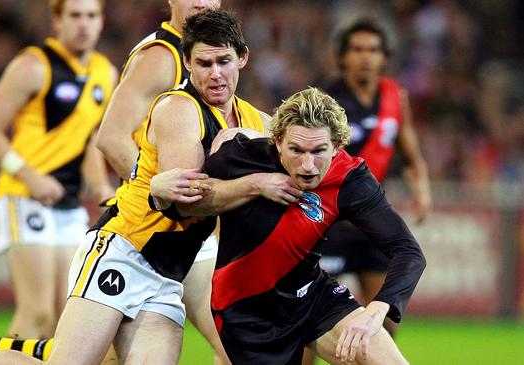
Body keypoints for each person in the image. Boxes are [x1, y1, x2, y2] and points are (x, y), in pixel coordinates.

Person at [0, 9, 298, 365]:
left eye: (223, 62)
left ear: (242, 59)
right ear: (188, 64)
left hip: (168, 273)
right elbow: (184, 198)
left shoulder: (255, 121)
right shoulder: (178, 105)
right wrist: (154, 188)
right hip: (127, 249)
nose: (215, 74)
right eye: (204, 63)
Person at [150, 87, 426, 364]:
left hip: (313, 297)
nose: (307, 166)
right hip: (248, 314)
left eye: (319, 151)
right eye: (296, 150)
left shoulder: (351, 180)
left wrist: (375, 311)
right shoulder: (240, 157)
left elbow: (408, 251)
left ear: (338, 146)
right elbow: (185, 205)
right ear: (278, 142)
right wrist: (159, 191)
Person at [0, 0, 115, 341]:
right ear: (57, 21)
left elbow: (90, 140)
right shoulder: (33, 66)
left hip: (67, 203)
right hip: (23, 197)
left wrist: (101, 189)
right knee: (37, 313)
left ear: (101, 22)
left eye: (91, 16)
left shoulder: (105, 73)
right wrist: (30, 177)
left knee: (67, 315)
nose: (84, 24)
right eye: (75, 16)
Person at [94, 0, 229, 363]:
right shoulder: (164, 55)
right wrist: (157, 191)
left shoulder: (207, 55)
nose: (201, 1)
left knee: (237, 341)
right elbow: (111, 136)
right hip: (155, 227)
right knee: (237, 341)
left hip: (185, 229)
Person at [300, 20, 431, 363]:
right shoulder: (324, 100)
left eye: (373, 50)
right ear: (343, 57)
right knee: (306, 327)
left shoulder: (394, 97)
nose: (365, 58)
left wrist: (422, 190)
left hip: (370, 230)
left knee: (384, 324)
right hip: (329, 227)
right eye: (357, 49)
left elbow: (411, 155)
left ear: (384, 57)